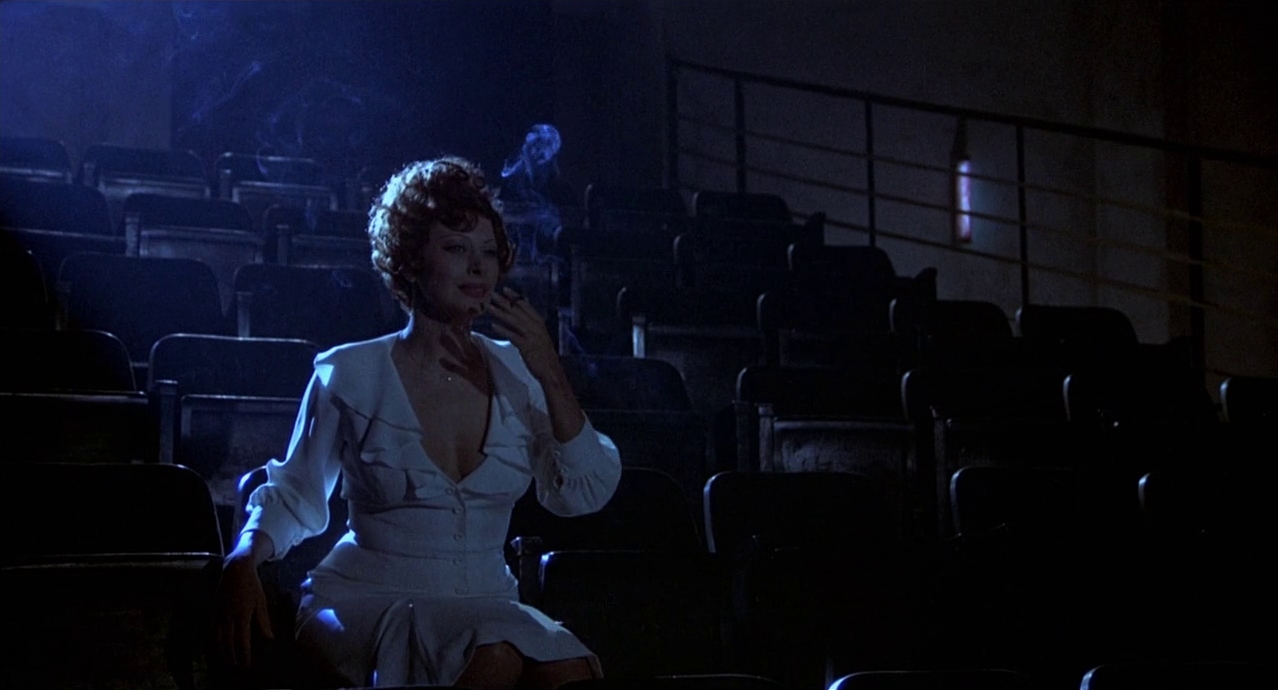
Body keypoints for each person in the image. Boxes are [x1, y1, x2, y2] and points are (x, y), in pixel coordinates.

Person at [216, 156, 622, 689]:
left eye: (488, 253)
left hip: (488, 606)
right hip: (365, 599)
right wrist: (244, 555)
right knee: (493, 656)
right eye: (456, 249)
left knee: (567, 668)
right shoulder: (350, 373)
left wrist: (549, 370)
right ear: (409, 261)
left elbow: (585, 492)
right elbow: (298, 494)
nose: (477, 268)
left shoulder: (521, 372)